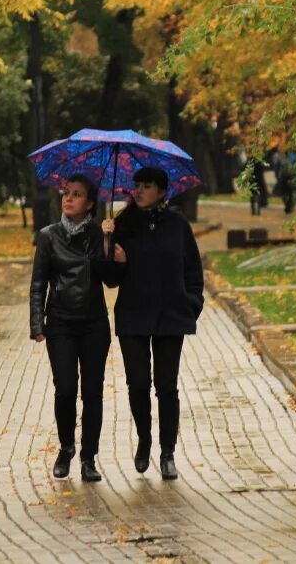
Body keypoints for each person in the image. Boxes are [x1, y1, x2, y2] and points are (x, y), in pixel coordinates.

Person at [100, 167, 204, 480]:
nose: (140, 191)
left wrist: (192, 304)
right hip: (133, 316)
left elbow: (193, 272)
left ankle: (167, 452)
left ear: (161, 191)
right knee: (138, 384)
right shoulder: (123, 224)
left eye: (147, 186)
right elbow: (110, 280)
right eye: (137, 186)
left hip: (171, 316)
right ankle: (144, 440)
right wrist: (108, 246)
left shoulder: (178, 224)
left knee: (167, 387)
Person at [29, 174, 111, 482]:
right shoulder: (48, 236)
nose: (68, 198)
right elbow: (38, 284)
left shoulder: (97, 233)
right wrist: (37, 323)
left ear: (89, 204)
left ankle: (89, 458)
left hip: (93, 325)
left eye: (77, 194)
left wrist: (105, 242)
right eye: (66, 193)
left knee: (93, 393)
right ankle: (66, 449)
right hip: (60, 323)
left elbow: (111, 279)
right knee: (65, 390)